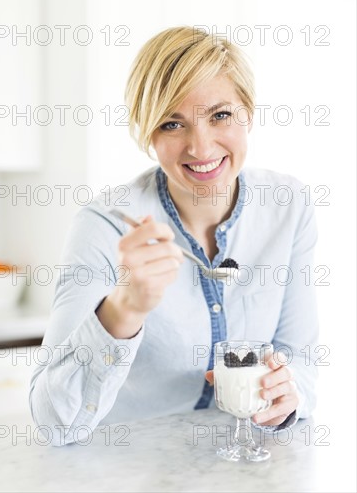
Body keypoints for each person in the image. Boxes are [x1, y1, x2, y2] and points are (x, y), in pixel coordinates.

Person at [29, 26, 319, 447]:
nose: (200, 148)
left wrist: (287, 396)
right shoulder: (105, 225)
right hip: (129, 466)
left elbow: (303, 363)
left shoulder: (288, 206)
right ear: (148, 135)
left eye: (220, 115)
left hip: (240, 466)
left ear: (248, 114)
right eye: (172, 124)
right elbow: (55, 423)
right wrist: (124, 310)